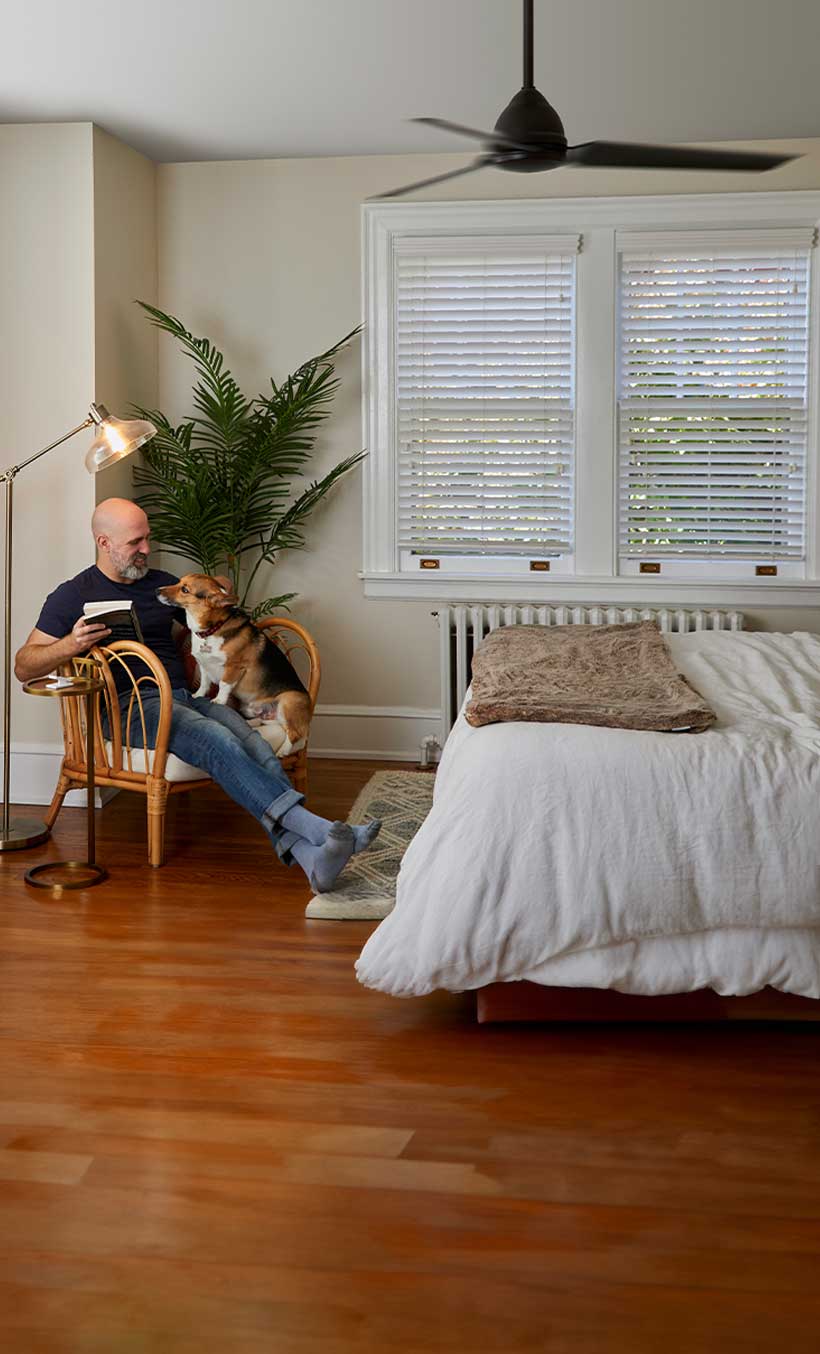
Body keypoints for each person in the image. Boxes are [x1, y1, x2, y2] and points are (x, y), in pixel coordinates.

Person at [15, 498, 380, 891]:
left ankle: (313, 860)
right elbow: (25, 665)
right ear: (104, 542)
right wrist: (71, 643)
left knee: (251, 742)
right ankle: (321, 831)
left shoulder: (162, 586)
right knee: (215, 739)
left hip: (185, 696)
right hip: (130, 709)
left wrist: (220, 595)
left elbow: (215, 626)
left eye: (147, 539)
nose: (145, 549)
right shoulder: (73, 595)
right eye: (135, 542)